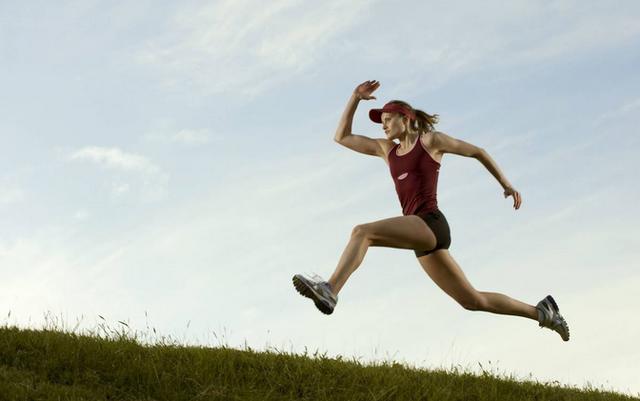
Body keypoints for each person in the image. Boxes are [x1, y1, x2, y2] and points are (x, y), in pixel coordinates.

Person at [292, 80, 569, 341]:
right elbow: (341, 136)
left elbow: (477, 151)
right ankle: (543, 313)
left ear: (407, 118)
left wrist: (506, 185)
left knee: (362, 233)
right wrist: (354, 98)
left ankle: (330, 290)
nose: (384, 126)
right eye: (382, 122)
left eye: (388, 119)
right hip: (421, 237)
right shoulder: (386, 150)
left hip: (430, 223)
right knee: (472, 300)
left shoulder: (431, 142)